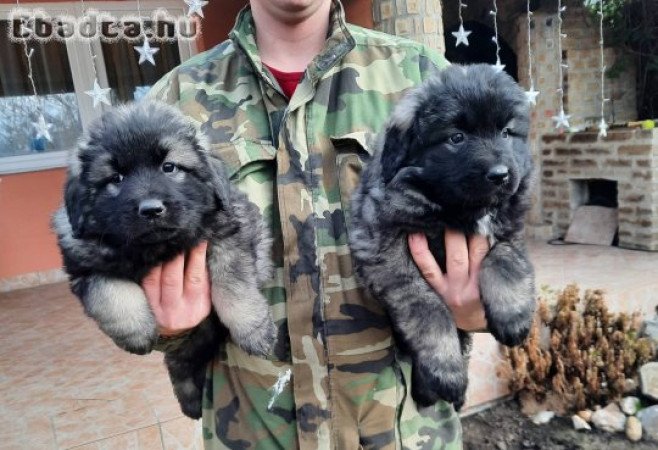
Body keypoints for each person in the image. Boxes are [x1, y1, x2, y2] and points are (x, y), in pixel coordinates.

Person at [143, 0, 489, 448]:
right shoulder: (176, 103)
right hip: (252, 432)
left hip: (406, 434)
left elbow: (492, 222)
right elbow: (119, 259)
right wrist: (166, 328)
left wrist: (479, 307)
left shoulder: (422, 79)